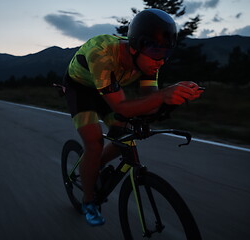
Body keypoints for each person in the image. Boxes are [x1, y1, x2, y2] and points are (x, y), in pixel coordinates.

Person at [62, 8, 204, 226]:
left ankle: (92, 168)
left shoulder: (150, 59)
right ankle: (88, 201)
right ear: (137, 46)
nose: (161, 61)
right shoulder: (103, 54)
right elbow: (124, 108)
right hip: (81, 89)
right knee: (94, 143)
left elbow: (149, 102)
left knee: (125, 136)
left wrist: (171, 100)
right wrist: (164, 95)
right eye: (157, 52)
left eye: (167, 53)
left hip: (108, 90)